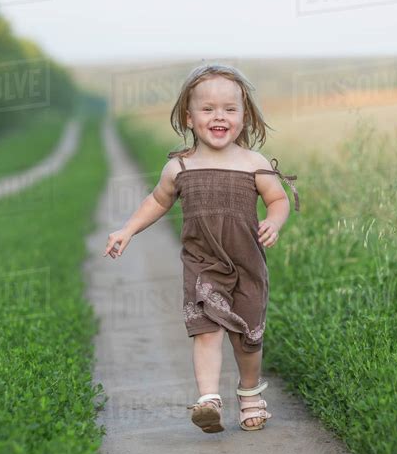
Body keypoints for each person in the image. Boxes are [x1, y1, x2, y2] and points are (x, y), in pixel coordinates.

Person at [104, 64, 300, 434]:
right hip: (202, 263)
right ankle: (209, 399)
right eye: (208, 109)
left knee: (247, 338)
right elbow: (157, 201)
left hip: (247, 265)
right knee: (206, 329)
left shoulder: (254, 164)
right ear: (189, 118)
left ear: (244, 116)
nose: (219, 116)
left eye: (230, 108)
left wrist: (274, 221)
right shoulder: (179, 166)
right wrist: (127, 229)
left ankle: (249, 393)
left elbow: (279, 200)